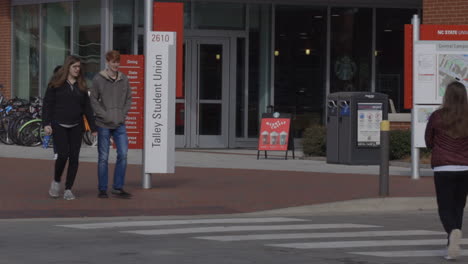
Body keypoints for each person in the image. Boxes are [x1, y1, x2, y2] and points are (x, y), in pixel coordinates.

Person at [42, 55, 97, 200]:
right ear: (68, 67)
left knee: (74, 158)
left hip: (76, 126)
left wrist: (93, 127)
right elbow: (47, 104)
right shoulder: (56, 84)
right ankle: (56, 180)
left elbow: (87, 108)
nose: (77, 69)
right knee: (62, 155)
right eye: (75, 67)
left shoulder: (82, 85)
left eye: (79, 67)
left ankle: (68, 189)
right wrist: (46, 123)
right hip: (59, 124)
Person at [425, 81, 468, 260]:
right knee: (458, 207)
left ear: (446, 96)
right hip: (465, 167)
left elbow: (428, 140)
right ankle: (451, 244)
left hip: (443, 167)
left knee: (445, 207)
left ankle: (452, 232)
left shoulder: (437, 116)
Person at [90, 50, 132, 199]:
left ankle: (118, 187)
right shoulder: (98, 79)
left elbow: (129, 99)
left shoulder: (124, 79)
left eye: (117, 62)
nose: (116, 65)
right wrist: (104, 115)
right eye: (113, 62)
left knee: (123, 154)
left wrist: (123, 114)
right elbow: (93, 100)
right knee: (103, 157)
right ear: (107, 62)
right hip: (103, 124)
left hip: (120, 123)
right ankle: (102, 189)